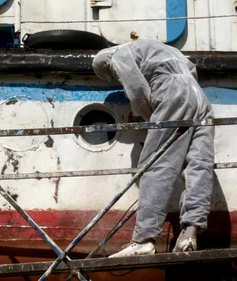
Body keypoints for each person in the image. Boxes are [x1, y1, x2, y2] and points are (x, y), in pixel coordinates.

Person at [92, 39, 215, 257]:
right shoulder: (167, 49)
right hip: (200, 98)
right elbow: (191, 70)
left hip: (172, 94)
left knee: (157, 164)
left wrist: (153, 120)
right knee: (199, 165)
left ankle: (144, 239)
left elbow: (137, 90)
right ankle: (189, 234)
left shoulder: (117, 55)